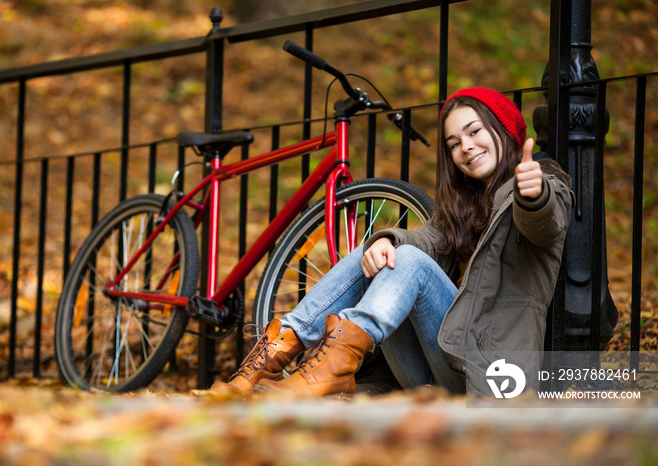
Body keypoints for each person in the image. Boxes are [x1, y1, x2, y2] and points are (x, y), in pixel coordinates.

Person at [211, 87, 573, 397]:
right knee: (383, 252)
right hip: (431, 367)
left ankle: (325, 370)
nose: (466, 146)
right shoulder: (467, 205)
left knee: (407, 260)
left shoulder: (541, 183)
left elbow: (544, 225)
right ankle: (269, 358)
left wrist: (533, 194)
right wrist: (386, 241)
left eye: (474, 131)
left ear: (504, 128)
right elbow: (425, 240)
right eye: (454, 143)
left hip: (488, 372)